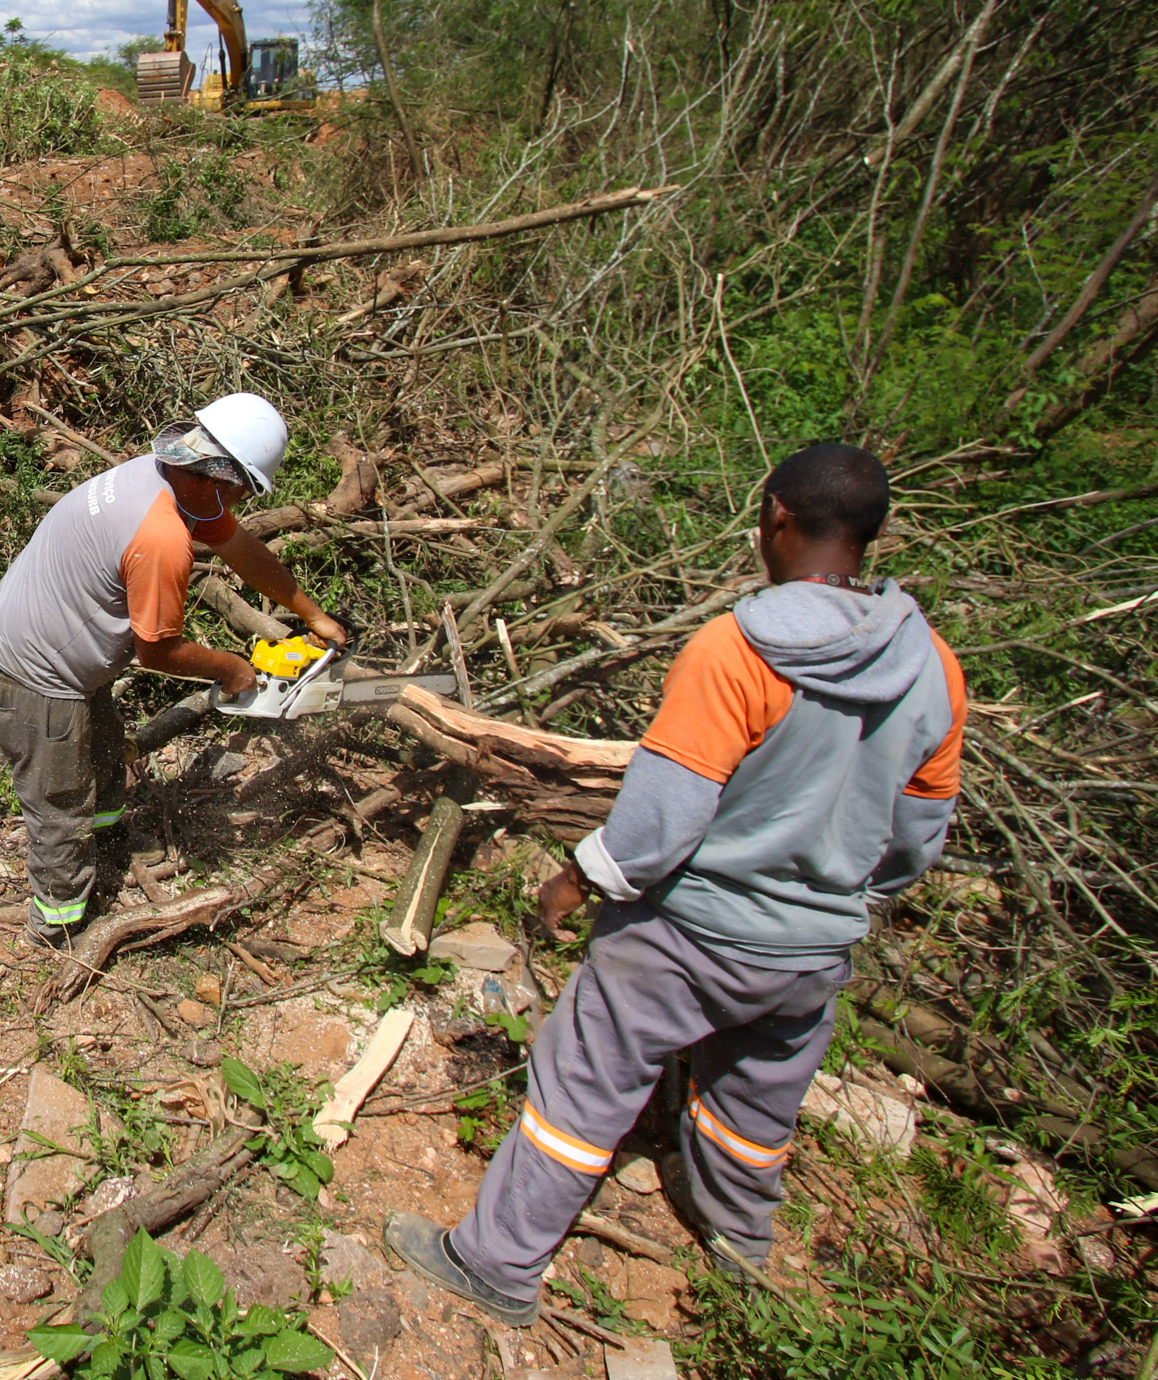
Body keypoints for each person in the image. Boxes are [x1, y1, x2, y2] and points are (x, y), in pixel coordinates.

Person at [385, 442, 966, 1324]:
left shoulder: (737, 650)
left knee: (583, 1085)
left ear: (774, 514)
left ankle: (496, 1264)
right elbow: (918, 835)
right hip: (812, 954)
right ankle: (742, 1247)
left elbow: (662, 820)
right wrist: (841, 899)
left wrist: (580, 876)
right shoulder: (936, 670)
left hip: (688, 936)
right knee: (755, 1102)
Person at [0, 394, 346, 945]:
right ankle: (58, 926)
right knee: (58, 801)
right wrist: (232, 670)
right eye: (238, 487)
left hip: (63, 655)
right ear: (220, 477)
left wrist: (311, 613)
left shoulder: (169, 477)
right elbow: (158, 652)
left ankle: (109, 844)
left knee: (102, 754)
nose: (238, 499)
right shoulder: (162, 536)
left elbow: (242, 548)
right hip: (34, 673)